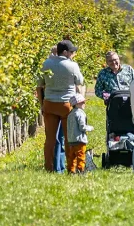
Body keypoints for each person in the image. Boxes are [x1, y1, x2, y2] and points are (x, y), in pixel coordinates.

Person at [36, 40, 85, 173]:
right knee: (70, 138)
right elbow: (80, 81)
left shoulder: (46, 64)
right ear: (65, 52)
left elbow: (39, 84)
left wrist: (42, 104)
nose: (72, 54)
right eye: (71, 52)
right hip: (66, 105)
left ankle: (49, 167)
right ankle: (71, 167)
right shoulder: (72, 65)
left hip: (50, 103)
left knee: (50, 139)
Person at [66, 94, 94, 174]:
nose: (84, 104)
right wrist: (90, 128)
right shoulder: (80, 114)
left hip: (71, 139)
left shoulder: (70, 114)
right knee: (81, 156)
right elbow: (82, 127)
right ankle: (80, 171)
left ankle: (71, 171)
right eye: (83, 102)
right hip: (80, 140)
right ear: (77, 104)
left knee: (72, 157)